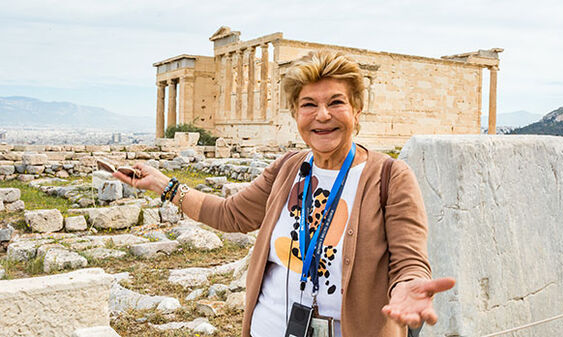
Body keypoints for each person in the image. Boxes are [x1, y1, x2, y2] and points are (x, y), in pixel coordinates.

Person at [114, 50, 455, 337]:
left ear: (357, 111)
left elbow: (409, 259)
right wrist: (165, 185)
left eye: (336, 102)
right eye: (309, 105)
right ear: (295, 114)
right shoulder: (287, 168)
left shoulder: (389, 176)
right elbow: (230, 213)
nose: (322, 115)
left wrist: (408, 286)